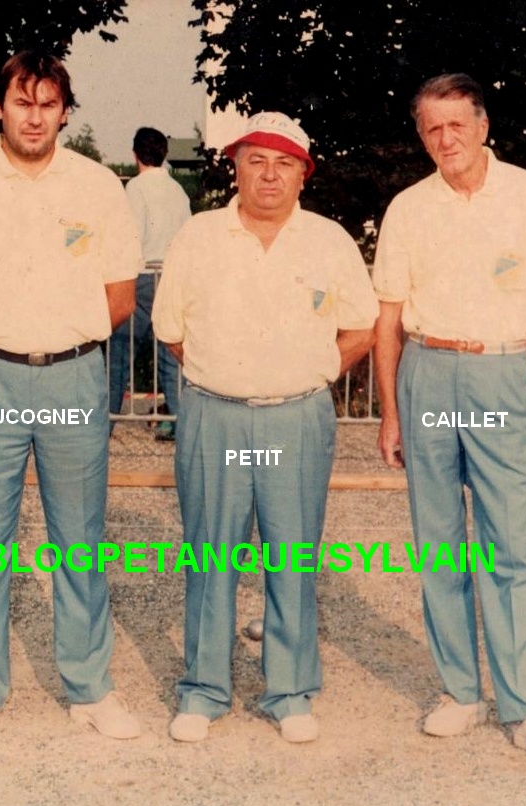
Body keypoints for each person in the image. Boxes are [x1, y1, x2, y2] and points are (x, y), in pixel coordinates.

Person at [0, 51, 144, 746]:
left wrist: (54, 339)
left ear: (65, 112)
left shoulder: (99, 186)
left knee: (79, 538)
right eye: (23, 102)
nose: (35, 116)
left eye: (48, 103)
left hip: (73, 375)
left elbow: (118, 296)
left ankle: (88, 685)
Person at [372, 73, 526, 767]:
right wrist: (389, 412)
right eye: (431, 129)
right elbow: (387, 318)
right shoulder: (408, 207)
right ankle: (459, 691)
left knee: (509, 545)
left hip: (499, 368)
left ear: (482, 125)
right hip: (425, 370)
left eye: (456, 125)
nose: (445, 140)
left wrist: (516, 372)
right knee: (437, 541)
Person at [152, 112, 378, 744]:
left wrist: (311, 370)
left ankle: (290, 690)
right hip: (213, 414)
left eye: (285, 164)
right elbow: (170, 332)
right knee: (211, 553)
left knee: (292, 554)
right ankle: (203, 690)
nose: (270, 176)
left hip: (298, 415)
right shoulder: (198, 236)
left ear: (304, 173)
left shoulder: (329, 240)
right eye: (256, 161)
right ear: (237, 167)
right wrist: (227, 376)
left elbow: (360, 326)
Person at [110, 126, 191, 442]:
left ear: (135, 154)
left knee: (119, 356)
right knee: (171, 357)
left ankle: (105, 426)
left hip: (143, 277)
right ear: (165, 154)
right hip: (171, 278)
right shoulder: (178, 192)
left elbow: (131, 240)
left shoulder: (135, 190)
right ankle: (181, 424)